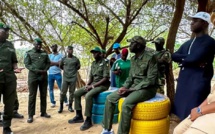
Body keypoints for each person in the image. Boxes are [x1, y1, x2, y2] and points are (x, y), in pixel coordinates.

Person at [101, 36, 158, 134]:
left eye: (132, 43)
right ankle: (107, 129)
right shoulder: (133, 59)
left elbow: (151, 80)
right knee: (110, 98)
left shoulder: (150, 57)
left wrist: (131, 90)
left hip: (147, 89)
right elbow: (130, 77)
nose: (129, 45)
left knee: (126, 104)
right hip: (133, 87)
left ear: (139, 46)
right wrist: (125, 87)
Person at [172, 12, 215, 120]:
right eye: (192, 21)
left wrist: (188, 59)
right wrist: (189, 58)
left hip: (198, 82)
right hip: (184, 82)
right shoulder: (188, 43)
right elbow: (174, 56)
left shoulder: (210, 42)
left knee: (194, 114)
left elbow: (195, 58)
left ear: (204, 24)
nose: (192, 23)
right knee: (181, 114)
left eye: (195, 21)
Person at [68, 46, 110, 131]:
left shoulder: (105, 62)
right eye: (93, 53)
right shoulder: (93, 63)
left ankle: (88, 120)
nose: (94, 54)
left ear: (100, 54)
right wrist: (87, 85)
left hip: (102, 85)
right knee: (76, 93)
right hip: (93, 84)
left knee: (88, 96)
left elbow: (106, 78)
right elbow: (91, 77)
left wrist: (93, 86)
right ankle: (79, 115)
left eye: (95, 52)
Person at [0, 22, 24, 133]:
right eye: (5, 31)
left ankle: (6, 127)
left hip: (9, 78)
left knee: (9, 104)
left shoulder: (10, 45)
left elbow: (14, 61)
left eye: (8, 31)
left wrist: (16, 68)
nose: (8, 34)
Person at [24, 38, 51, 123]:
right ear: (34, 44)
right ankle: (30, 115)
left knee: (43, 94)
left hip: (43, 76)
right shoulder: (29, 53)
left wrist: (45, 70)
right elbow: (27, 64)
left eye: (40, 45)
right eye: (37, 45)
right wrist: (37, 70)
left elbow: (48, 63)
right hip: (33, 77)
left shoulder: (44, 53)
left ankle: (43, 112)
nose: (39, 46)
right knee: (32, 96)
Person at [58, 45, 80, 113]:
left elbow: (78, 66)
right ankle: (61, 106)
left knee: (72, 93)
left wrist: (73, 72)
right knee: (62, 92)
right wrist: (66, 71)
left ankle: (70, 106)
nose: (70, 51)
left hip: (73, 78)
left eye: (71, 50)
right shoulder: (64, 59)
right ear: (67, 50)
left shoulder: (76, 59)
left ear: (72, 51)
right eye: (69, 50)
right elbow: (61, 66)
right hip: (65, 78)